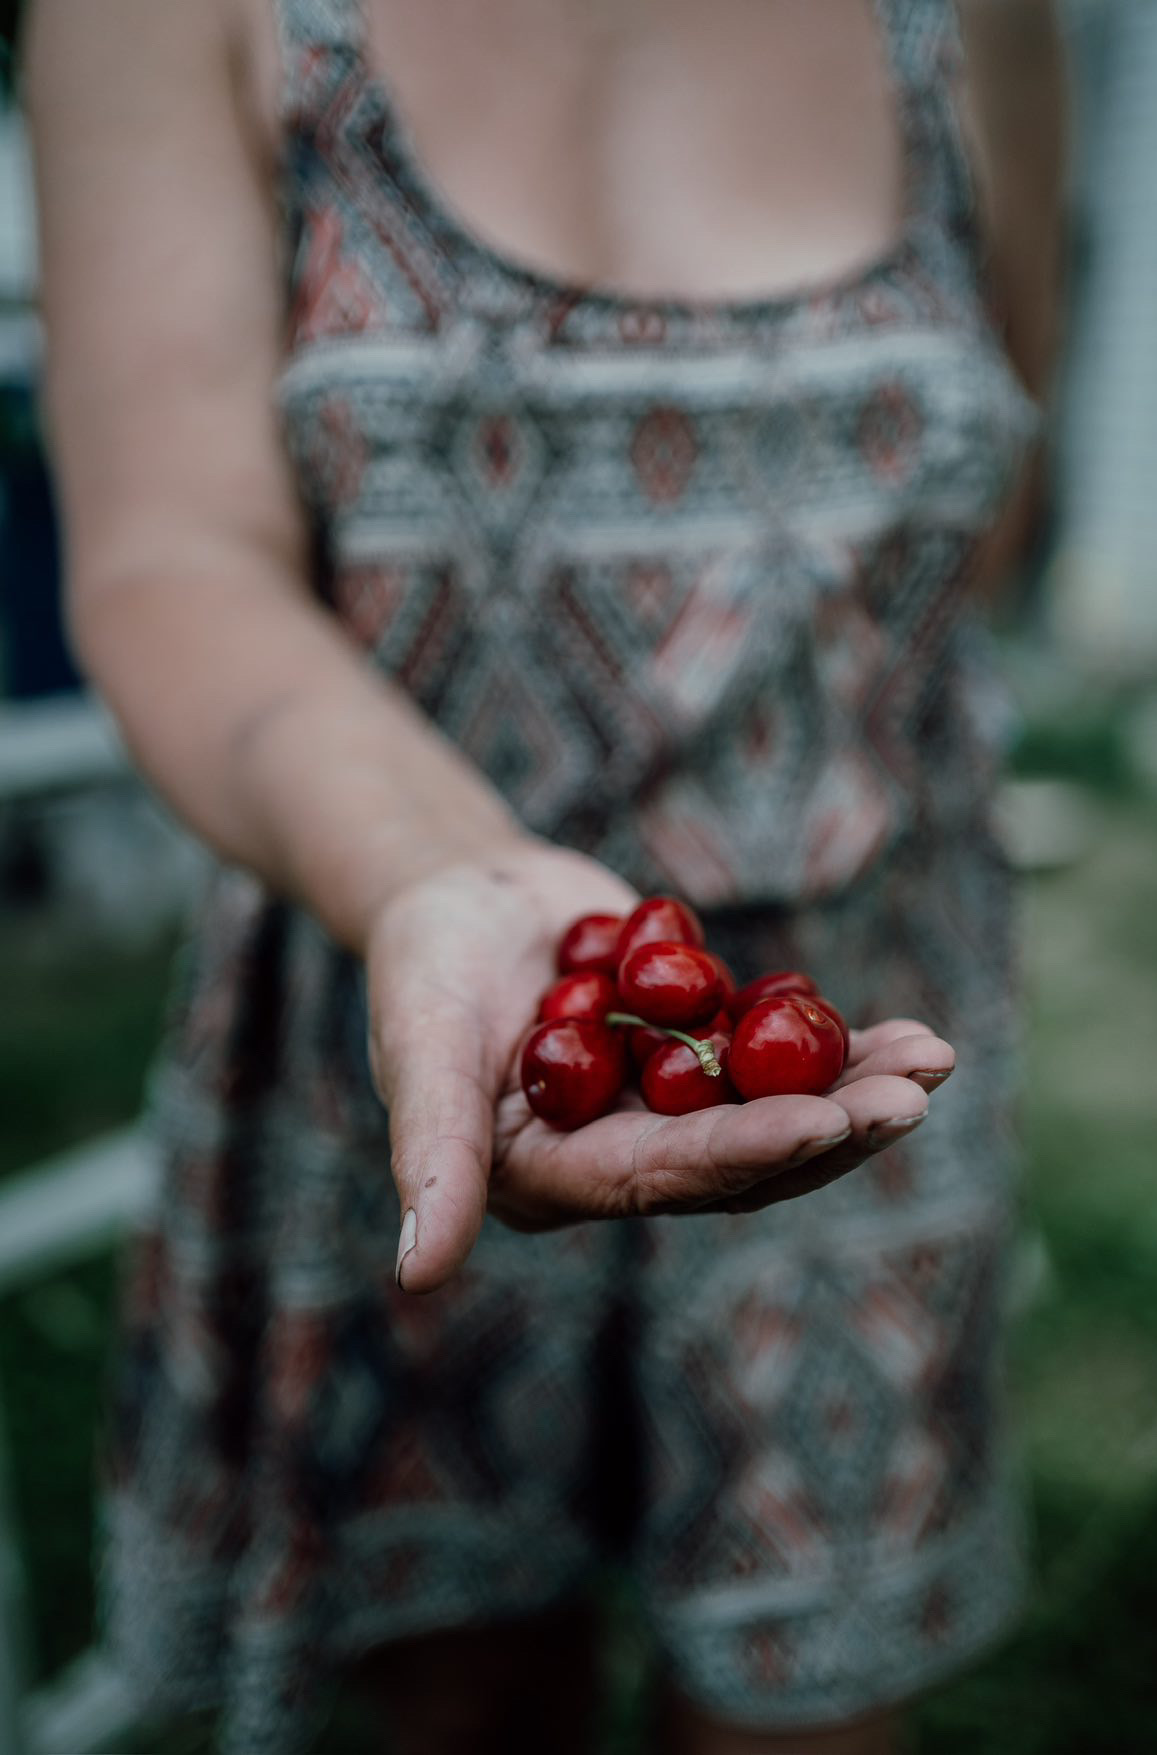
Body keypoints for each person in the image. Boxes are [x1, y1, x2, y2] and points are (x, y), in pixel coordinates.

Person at [26, 0, 1064, 1751]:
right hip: (403, 992)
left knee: (808, 1713)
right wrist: (445, 868)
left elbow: (1002, 489)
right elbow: (165, 556)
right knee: (453, 1695)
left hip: (875, 997)